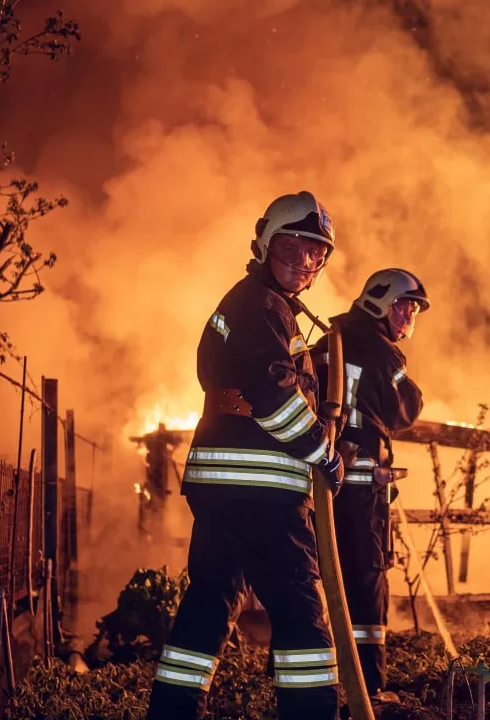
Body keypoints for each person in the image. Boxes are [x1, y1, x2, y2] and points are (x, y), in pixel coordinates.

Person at [146, 191, 347, 720]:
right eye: (292, 247)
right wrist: (322, 453)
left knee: (211, 600)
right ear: (264, 243)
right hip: (261, 492)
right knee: (300, 609)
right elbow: (275, 393)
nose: (304, 261)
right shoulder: (261, 306)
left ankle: (173, 709)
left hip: (224, 489)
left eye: (314, 252)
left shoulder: (256, 305)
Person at [312, 268, 428, 702]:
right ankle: (370, 685)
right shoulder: (383, 354)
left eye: (413, 309)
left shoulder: (330, 342)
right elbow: (406, 409)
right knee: (367, 580)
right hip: (362, 489)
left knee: (318, 575)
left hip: (322, 485)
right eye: (405, 306)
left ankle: (321, 680)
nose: (409, 317)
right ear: (380, 302)